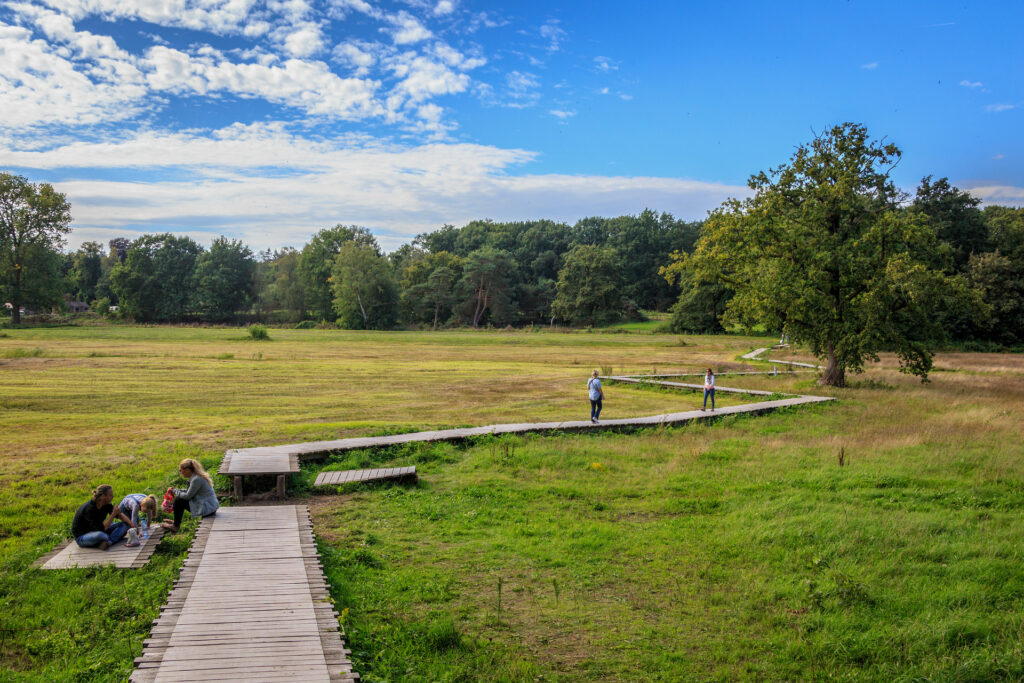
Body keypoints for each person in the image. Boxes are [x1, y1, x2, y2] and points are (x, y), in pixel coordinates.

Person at [162, 459, 219, 533]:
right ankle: (176, 522)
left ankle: (176, 525)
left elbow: (188, 496)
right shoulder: (197, 477)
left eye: (180, 470)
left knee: (178, 500)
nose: (180, 473)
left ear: (187, 470)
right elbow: (189, 492)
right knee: (179, 498)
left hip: (207, 508)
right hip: (210, 506)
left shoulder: (196, 480)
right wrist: (176, 490)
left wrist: (175, 491)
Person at [72, 485, 130, 550]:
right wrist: (113, 514)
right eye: (110, 495)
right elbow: (102, 528)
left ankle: (109, 542)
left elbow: (120, 515)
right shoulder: (89, 509)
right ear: (103, 496)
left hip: (99, 530)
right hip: (83, 536)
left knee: (124, 525)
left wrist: (133, 527)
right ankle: (112, 538)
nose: (112, 497)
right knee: (102, 536)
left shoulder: (106, 504)